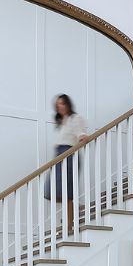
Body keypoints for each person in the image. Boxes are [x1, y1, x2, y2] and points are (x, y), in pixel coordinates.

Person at [44, 94, 88, 232]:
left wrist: (80, 139)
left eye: (62, 104)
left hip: (68, 155)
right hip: (59, 156)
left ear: (68, 104)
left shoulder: (75, 118)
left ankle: (69, 224)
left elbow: (82, 136)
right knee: (56, 190)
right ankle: (75, 210)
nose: (60, 107)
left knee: (66, 192)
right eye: (57, 105)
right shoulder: (62, 122)